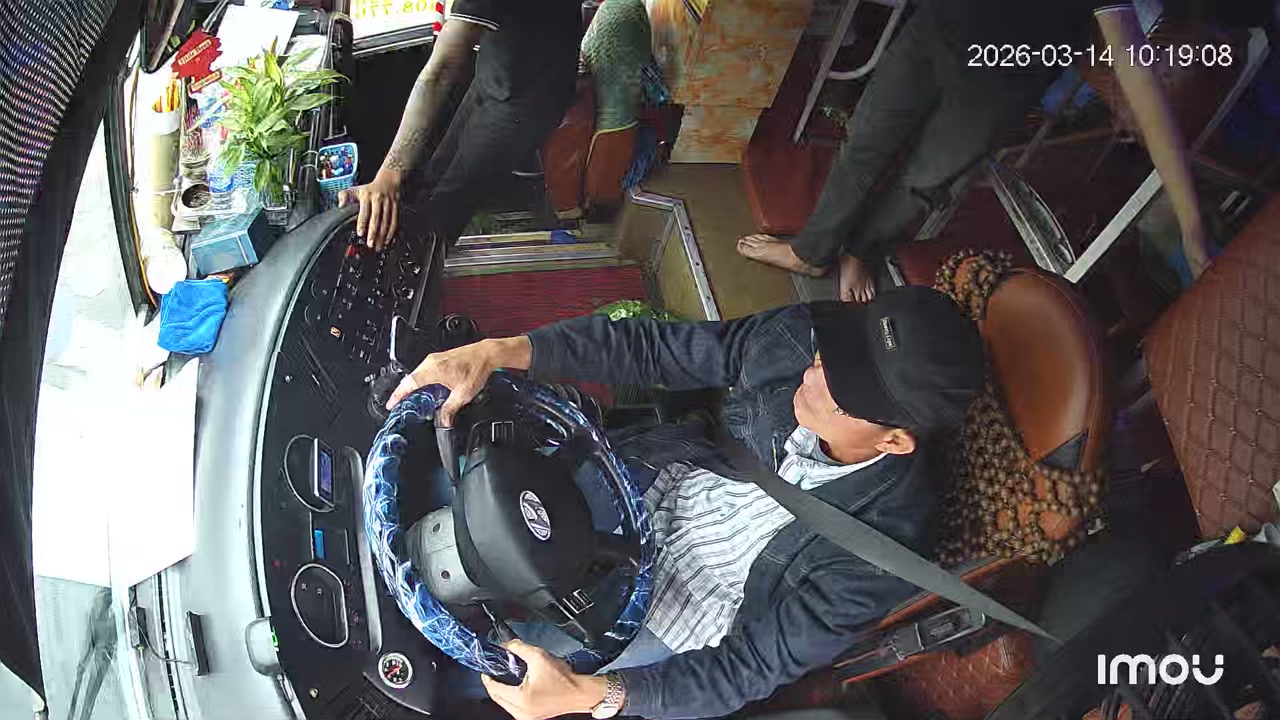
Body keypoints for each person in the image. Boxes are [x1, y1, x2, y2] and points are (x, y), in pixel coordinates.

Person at [387, 286, 986, 720]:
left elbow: (751, 665)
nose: (812, 376)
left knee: (486, 671)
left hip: (689, 612)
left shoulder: (884, 551)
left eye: (843, 390)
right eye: (832, 354)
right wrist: (500, 352)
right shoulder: (801, 337)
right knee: (441, 500)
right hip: (648, 482)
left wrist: (595, 695)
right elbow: (660, 349)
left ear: (894, 441)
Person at [738, 1, 1213, 303]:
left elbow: (1137, 73)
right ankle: (811, 251)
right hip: (937, 29)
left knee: (924, 180)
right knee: (864, 143)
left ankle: (861, 249)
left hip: (1003, 79)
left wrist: (1190, 221)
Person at [339, 0, 583, 251]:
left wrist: (387, 178)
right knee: (431, 181)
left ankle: (427, 256)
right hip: (498, 73)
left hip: (528, 100)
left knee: (443, 212)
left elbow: (441, 70)